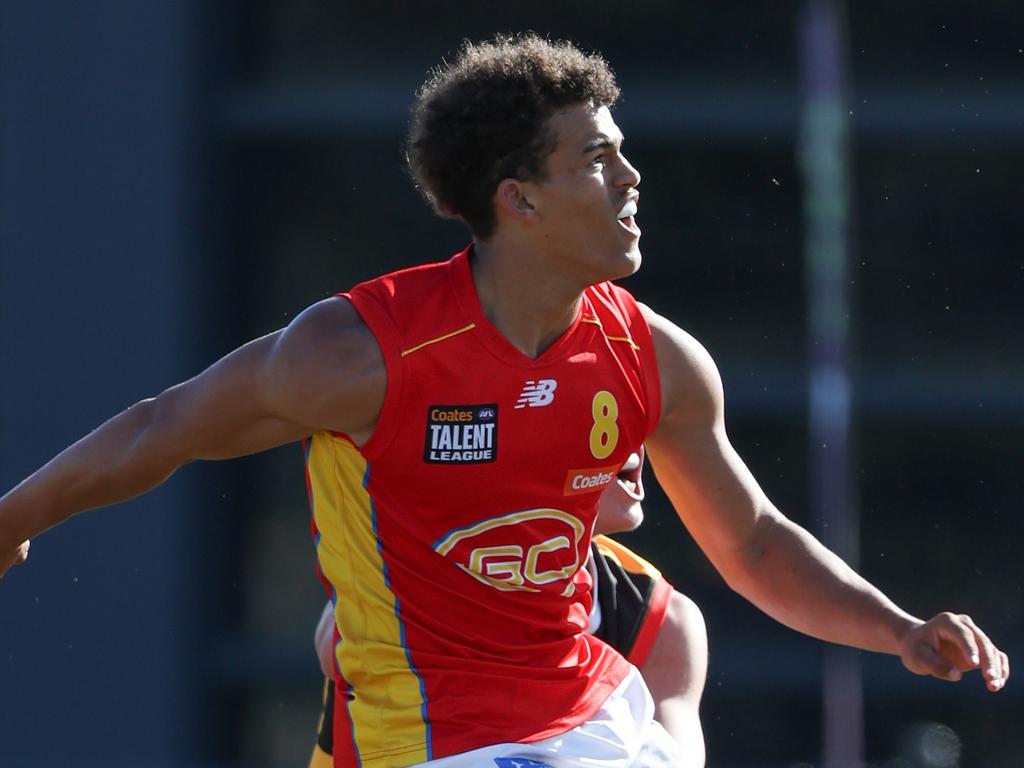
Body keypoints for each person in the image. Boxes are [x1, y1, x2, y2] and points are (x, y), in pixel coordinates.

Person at [0, 32, 1009, 768]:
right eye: (595, 158)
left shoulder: (652, 356)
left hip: (579, 721)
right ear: (517, 201)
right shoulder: (362, 351)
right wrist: (14, 520)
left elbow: (751, 542)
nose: (630, 177)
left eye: (621, 150)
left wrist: (897, 629)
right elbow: (160, 428)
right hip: (416, 745)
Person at [308, 451, 709, 768]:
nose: (627, 446)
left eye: (628, 424)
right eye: (595, 425)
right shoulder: (427, 570)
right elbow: (334, 641)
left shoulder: (661, 622)